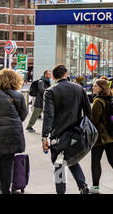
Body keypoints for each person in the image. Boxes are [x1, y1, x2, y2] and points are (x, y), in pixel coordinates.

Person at [41, 64, 91, 194]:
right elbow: (88, 112)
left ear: (53, 76)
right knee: (71, 157)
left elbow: (48, 115)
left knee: (59, 164)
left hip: (58, 135)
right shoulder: (79, 88)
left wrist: (44, 136)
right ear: (66, 74)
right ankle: (82, 185)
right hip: (75, 133)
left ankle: (61, 191)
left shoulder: (50, 91)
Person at [0, 69, 28, 194]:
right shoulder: (19, 96)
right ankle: (5, 190)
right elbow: (23, 115)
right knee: (7, 164)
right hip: (13, 134)